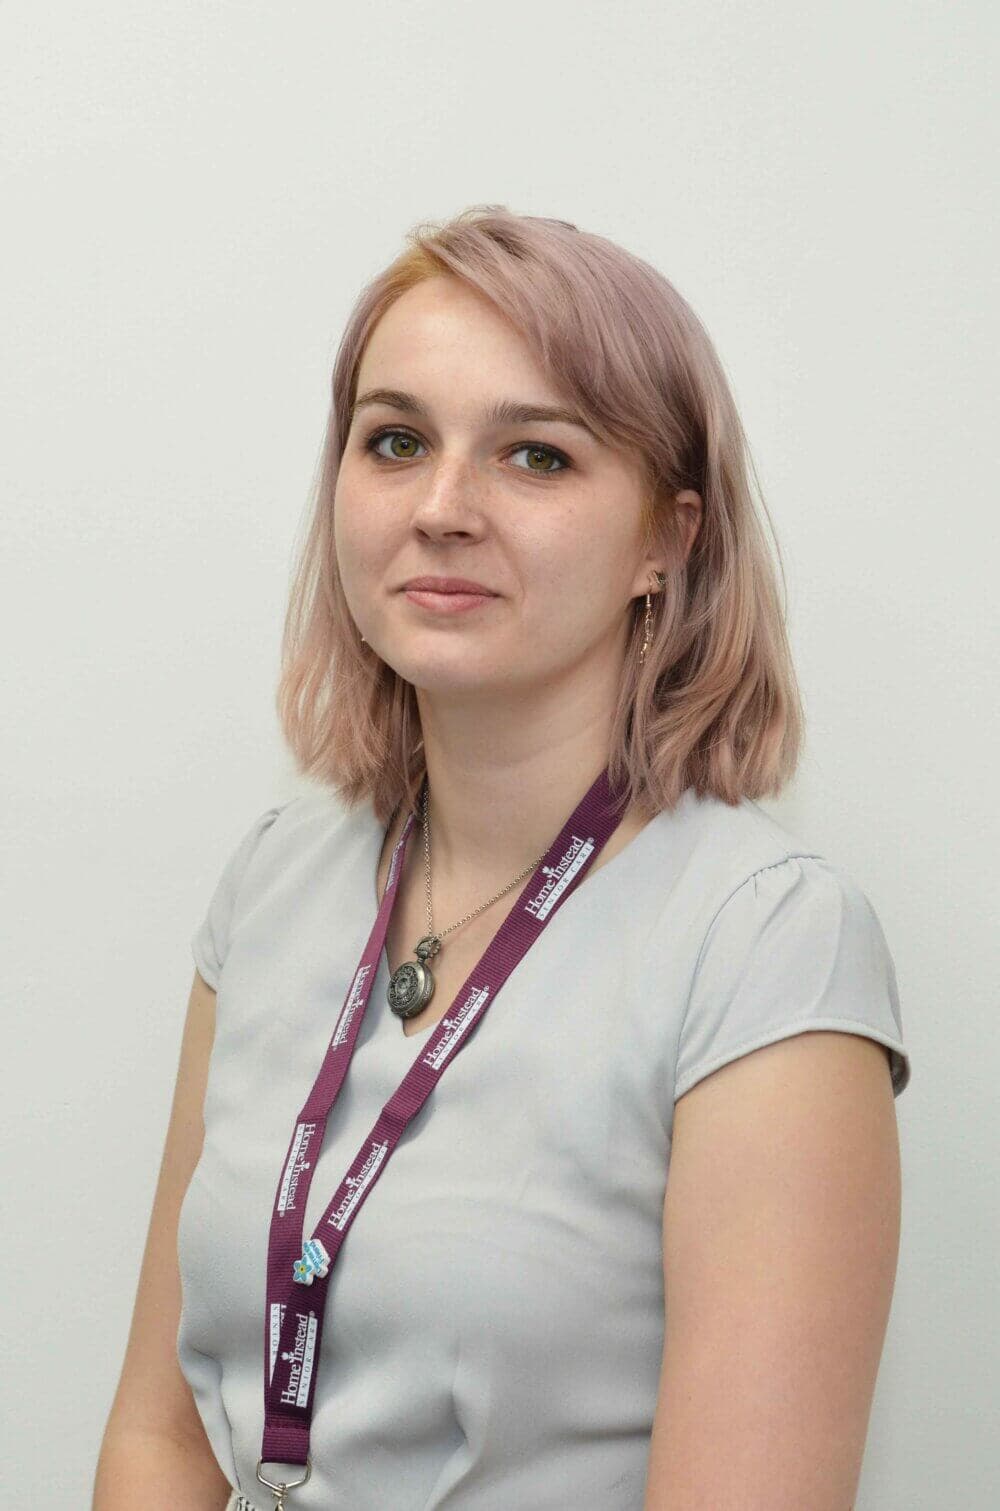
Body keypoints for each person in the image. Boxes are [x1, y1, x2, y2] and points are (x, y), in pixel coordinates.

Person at [94, 205, 911, 1511]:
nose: (443, 508)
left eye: (536, 456)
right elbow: (160, 1439)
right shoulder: (274, 885)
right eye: (397, 440)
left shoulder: (765, 945)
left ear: (668, 539)